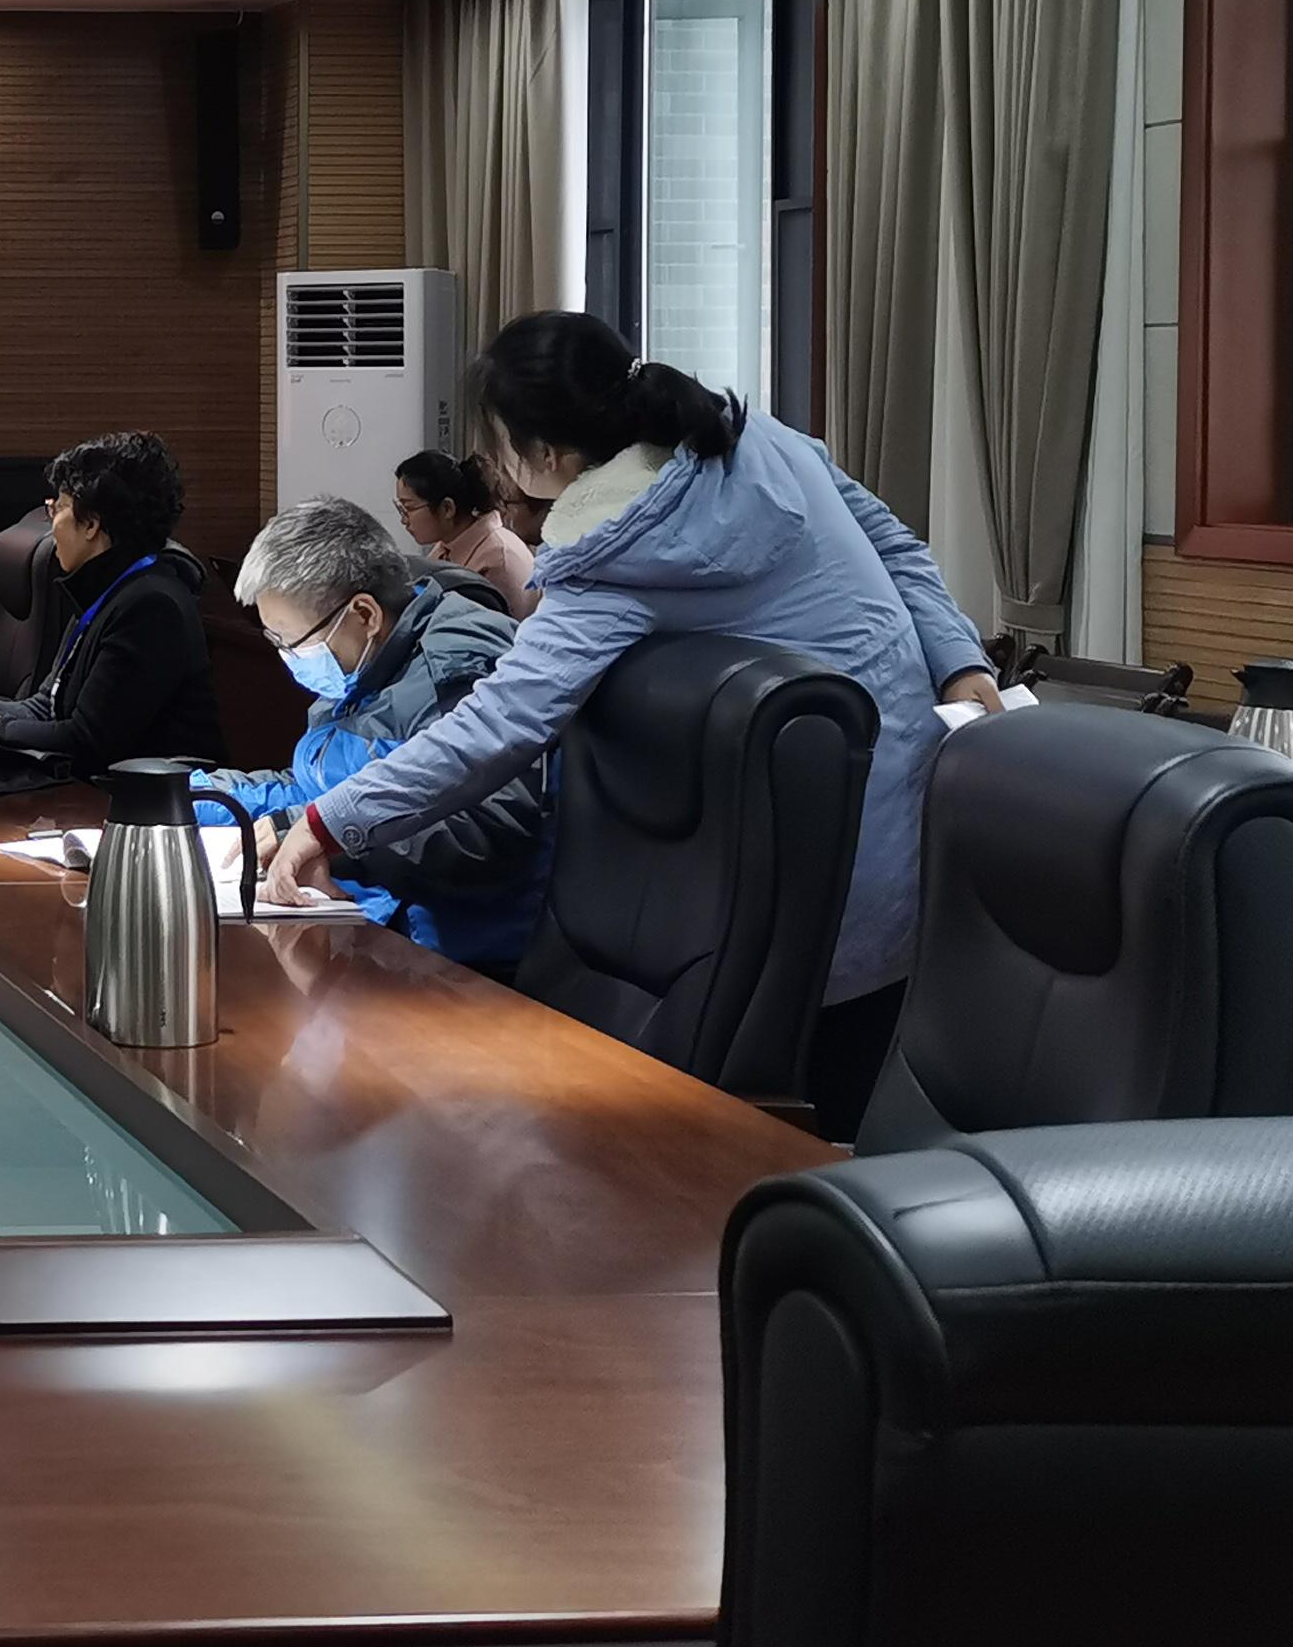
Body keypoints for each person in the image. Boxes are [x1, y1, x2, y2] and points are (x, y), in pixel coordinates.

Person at [265, 312, 998, 1132]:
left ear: (544, 455)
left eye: (501, 447)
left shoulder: (610, 559)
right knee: (858, 1097)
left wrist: (328, 822)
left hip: (809, 863)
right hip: (918, 810)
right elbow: (898, 545)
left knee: (805, 1116)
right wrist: (960, 662)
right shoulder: (761, 440)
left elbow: (497, 727)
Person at [221, 498, 550, 974]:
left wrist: (333, 843)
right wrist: (207, 796)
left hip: (456, 965)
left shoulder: (455, 669)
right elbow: (320, 787)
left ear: (364, 614)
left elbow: (487, 831)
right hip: (376, 938)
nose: (289, 657)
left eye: (293, 642)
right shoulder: (364, 666)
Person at [0, 431, 223, 766]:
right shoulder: (105, 590)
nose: (51, 525)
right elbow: (46, 707)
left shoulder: (152, 608)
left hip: (153, 794)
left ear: (91, 524)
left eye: (57, 508)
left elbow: (85, 740)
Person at [393, 448, 538, 619]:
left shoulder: (498, 560)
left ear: (447, 508)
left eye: (409, 508)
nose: (404, 520)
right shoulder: (447, 545)